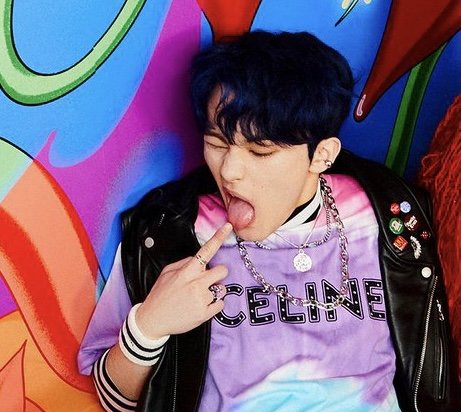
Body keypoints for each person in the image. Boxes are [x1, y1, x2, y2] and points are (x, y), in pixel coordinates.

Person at [78, 31, 459, 411]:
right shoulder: (167, 233)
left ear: (322, 155)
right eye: (217, 144)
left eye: (260, 151)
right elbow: (114, 400)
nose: (230, 171)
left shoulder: (388, 216)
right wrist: (149, 327)